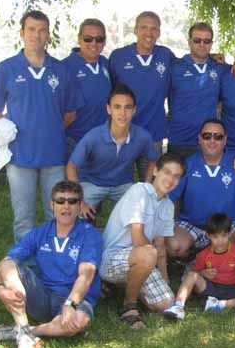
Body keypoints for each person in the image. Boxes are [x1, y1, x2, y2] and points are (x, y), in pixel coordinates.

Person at [0, 181, 102, 348]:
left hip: (73, 298)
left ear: (79, 206)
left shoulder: (90, 234)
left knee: (80, 321)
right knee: (8, 265)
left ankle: (24, 332)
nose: (66, 206)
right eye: (60, 201)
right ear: (52, 205)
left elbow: (86, 274)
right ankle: (25, 332)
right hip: (42, 295)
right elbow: (2, 266)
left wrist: (71, 304)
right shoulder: (40, 233)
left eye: (72, 201)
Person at [0, 10, 78, 240]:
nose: (37, 35)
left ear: (48, 35)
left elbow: (71, 113)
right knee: (24, 218)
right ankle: (24, 269)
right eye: (31, 30)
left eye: (42, 30)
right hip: (19, 157)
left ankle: (54, 265)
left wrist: (49, 129)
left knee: (56, 214)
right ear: (22, 33)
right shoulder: (6, 69)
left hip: (54, 156)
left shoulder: (61, 70)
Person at [100, 153, 185, 328]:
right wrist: (152, 259)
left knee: (167, 303)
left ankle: (126, 285)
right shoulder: (139, 191)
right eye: (167, 172)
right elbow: (138, 238)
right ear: (155, 171)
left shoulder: (168, 205)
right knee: (148, 252)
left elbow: (160, 246)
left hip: (144, 258)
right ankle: (128, 306)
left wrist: (165, 280)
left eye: (176, 176)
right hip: (112, 259)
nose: (170, 179)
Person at [167, 119, 235, 260]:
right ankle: (199, 258)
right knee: (174, 246)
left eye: (218, 136)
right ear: (199, 139)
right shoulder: (187, 164)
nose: (212, 141)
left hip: (228, 227)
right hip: (193, 225)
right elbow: (167, 195)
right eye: (207, 136)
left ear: (225, 140)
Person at [66, 83, 159, 221]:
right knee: (76, 211)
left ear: (134, 110)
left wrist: (146, 185)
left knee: (144, 210)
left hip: (122, 184)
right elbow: (71, 167)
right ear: (108, 109)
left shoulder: (142, 136)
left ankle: (132, 241)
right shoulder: (93, 136)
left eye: (128, 107)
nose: (122, 113)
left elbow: (154, 160)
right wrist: (81, 200)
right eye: (117, 107)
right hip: (92, 183)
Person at [108, 11, 174, 179]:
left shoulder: (166, 56)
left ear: (159, 32)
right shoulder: (118, 56)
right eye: (144, 27)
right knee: (121, 188)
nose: (149, 33)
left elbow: (191, 62)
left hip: (153, 135)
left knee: (151, 186)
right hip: (123, 134)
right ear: (135, 30)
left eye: (154, 29)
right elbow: (110, 91)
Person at [164, 213, 235, 320]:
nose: (220, 241)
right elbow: (196, 274)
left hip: (232, 289)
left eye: (224, 236)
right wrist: (203, 273)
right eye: (215, 237)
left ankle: (219, 305)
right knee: (191, 275)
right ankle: (178, 307)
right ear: (208, 236)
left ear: (229, 234)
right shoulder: (203, 255)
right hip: (210, 287)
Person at [168, 22, 231, 160]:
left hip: (208, 142)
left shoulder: (220, 69)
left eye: (206, 41)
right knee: (175, 181)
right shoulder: (174, 67)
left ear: (211, 43)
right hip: (179, 141)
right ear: (189, 41)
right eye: (197, 40)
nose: (202, 44)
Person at [63, 18, 112, 157]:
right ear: (79, 39)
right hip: (74, 141)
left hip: (103, 140)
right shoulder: (64, 67)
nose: (94, 43)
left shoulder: (106, 64)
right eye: (88, 38)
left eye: (99, 39)